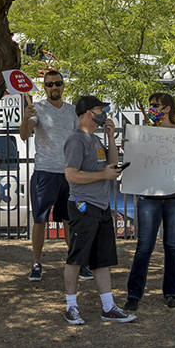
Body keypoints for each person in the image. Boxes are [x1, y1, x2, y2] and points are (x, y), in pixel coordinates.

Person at [61, 95, 135, 325]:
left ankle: (108, 306)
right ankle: (71, 306)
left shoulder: (95, 140)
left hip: (102, 205)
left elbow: (111, 165)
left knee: (102, 260)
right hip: (83, 206)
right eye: (98, 110)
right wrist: (103, 175)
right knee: (76, 258)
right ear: (86, 114)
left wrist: (111, 139)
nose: (102, 114)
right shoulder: (77, 140)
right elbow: (71, 175)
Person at [123, 92, 175, 312]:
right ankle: (134, 294)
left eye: (156, 105)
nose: (152, 109)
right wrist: (129, 146)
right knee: (144, 246)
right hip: (150, 197)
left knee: (172, 246)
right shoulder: (144, 133)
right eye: (150, 105)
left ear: (167, 109)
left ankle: (171, 292)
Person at [19, 68, 80, 282]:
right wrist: (26, 119)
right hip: (45, 171)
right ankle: (36, 263)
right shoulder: (36, 108)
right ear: (44, 87)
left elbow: (80, 139)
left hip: (68, 173)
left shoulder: (72, 111)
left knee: (69, 219)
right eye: (49, 84)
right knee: (40, 220)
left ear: (63, 86)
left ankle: (76, 262)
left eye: (57, 83)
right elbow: (25, 135)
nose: (54, 87)